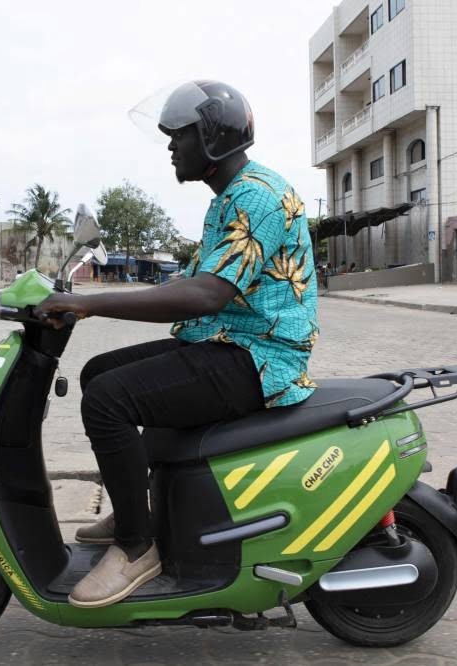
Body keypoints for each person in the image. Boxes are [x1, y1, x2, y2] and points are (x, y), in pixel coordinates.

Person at [35, 80, 319, 609]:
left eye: (179, 136)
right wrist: (86, 297)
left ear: (212, 138)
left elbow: (205, 294)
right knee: (100, 373)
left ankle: (137, 548)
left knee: (108, 400)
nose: (171, 148)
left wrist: (91, 305)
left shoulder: (255, 196)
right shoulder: (231, 197)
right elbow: (186, 287)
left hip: (259, 358)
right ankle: (135, 508)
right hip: (227, 342)